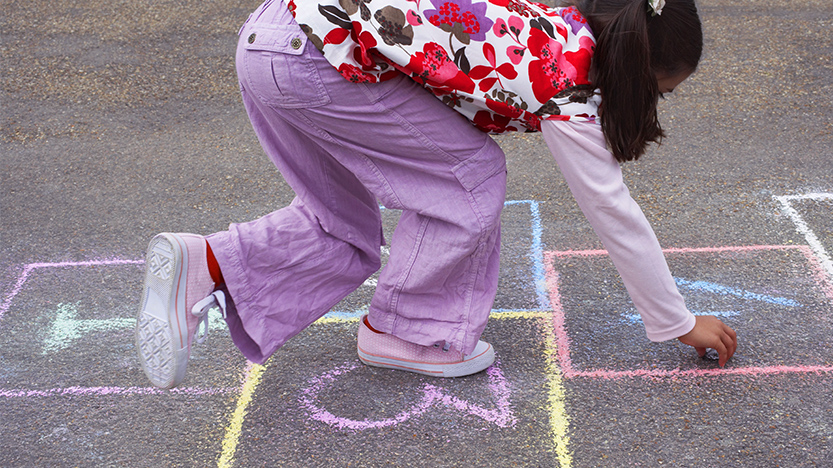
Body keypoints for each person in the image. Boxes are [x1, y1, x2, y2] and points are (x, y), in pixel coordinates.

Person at [135, 0, 737, 389]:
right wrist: (677, 322)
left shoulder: (549, 24)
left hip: (274, 35)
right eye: (662, 91)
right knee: (471, 175)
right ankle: (409, 332)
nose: (657, 104)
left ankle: (207, 263)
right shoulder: (568, 88)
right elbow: (612, 211)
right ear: (634, 70)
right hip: (317, 61)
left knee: (340, 221)